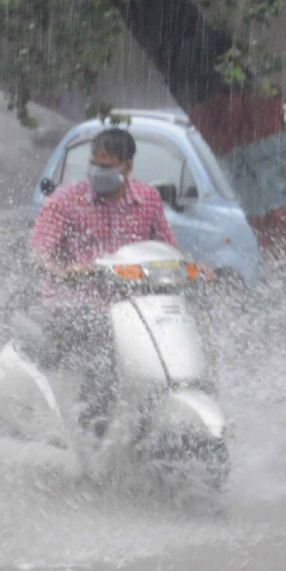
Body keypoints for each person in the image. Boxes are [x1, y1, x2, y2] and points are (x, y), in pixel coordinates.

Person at [28, 127, 177, 436]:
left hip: (135, 307)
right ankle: (92, 429)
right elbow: (40, 258)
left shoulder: (148, 199)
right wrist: (69, 272)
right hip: (72, 307)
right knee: (104, 338)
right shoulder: (64, 202)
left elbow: (167, 250)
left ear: (128, 166)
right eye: (94, 165)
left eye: (107, 167)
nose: (98, 172)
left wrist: (194, 267)